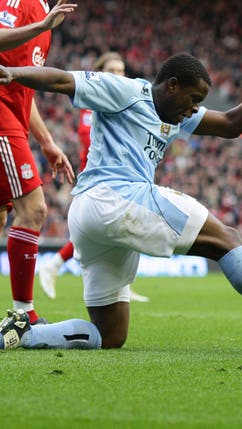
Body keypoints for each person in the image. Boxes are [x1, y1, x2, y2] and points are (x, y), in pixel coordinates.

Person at [0, 53, 242, 354]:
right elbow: (60, 79)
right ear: (172, 86)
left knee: (110, 333)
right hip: (117, 198)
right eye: (193, 98)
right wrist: (11, 72)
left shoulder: (175, 114)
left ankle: (28, 333)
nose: (194, 108)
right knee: (228, 239)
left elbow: (232, 124)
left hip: (89, 218)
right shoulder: (124, 91)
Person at [0, 0, 76, 342]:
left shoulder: (43, 10)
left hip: (6, 117)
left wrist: (47, 142)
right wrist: (42, 26)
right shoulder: (22, 1)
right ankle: (24, 313)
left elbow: (20, 87)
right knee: (34, 209)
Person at [37, 51, 149, 303]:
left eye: (121, 71)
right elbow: (88, 138)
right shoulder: (95, 101)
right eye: (112, 71)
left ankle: (120, 283)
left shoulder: (125, 101)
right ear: (100, 74)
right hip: (100, 177)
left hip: (122, 175)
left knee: (125, 226)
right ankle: (53, 264)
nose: (119, 76)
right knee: (106, 228)